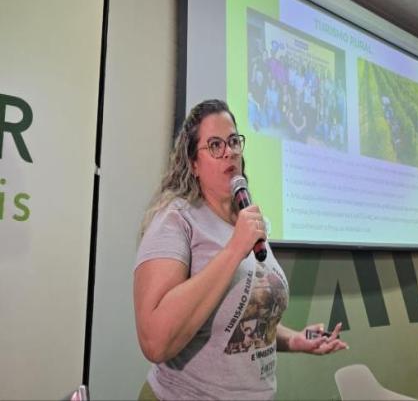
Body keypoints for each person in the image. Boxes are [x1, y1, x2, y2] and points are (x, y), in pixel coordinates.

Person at [134, 99, 348, 401]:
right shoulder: (177, 219)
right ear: (193, 164)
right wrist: (234, 248)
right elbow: (155, 341)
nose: (230, 151)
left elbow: (240, 323)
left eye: (234, 141)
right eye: (215, 145)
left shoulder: (246, 219)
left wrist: (294, 339)